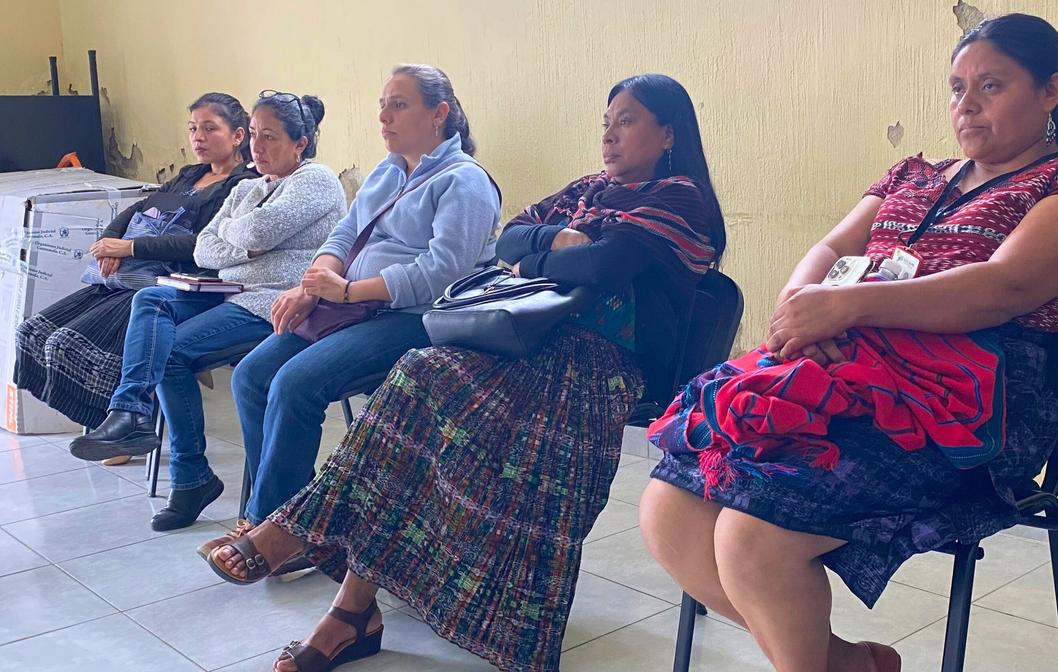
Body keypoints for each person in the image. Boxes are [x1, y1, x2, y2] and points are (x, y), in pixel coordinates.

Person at [639, 14, 1058, 672]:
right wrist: (799, 313)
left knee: (752, 538)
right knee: (668, 511)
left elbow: (1004, 286)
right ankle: (848, 665)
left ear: (1052, 91)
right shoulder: (915, 175)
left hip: (966, 410)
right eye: (957, 87)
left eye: (991, 85)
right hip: (841, 381)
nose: (966, 104)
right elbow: (829, 249)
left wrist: (843, 306)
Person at [204, 74, 725, 672]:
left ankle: (328, 575)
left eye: (626, 122)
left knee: (446, 398)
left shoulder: (680, 200)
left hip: (602, 366)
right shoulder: (592, 189)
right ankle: (346, 602)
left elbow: (604, 266)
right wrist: (557, 241)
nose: (608, 135)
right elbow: (512, 241)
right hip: (535, 343)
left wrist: (544, 254)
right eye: (606, 122)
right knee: (420, 375)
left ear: (668, 134)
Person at [198, 65, 500, 555]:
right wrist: (312, 286)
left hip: (413, 318)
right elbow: (344, 235)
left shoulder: (464, 181)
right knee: (251, 376)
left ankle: (277, 535)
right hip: (349, 307)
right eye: (382, 105)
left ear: (439, 114)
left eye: (398, 105)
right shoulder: (389, 171)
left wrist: (347, 292)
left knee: (295, 384)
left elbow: (442, 272)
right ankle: (281, 518)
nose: (383, 117)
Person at [68, 91, 347, 532]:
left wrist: (239, 238)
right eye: (253, 135)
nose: (257, 147)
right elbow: (204, 248)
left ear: (300, 143)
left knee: (171, 353)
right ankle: (131, 411)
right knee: (150, 299)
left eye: (269, 137)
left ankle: (189, 478)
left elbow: (258, 231)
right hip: (229, 289)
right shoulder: (250, 186)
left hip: (276, 299)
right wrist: (245, 245)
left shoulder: (316, 180)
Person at [14, 93, 256, 437]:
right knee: (33, 334)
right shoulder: (189, 175)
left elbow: (202, 245)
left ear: (237, 135)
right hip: (133, 275)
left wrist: (130, 247)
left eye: (209, 128)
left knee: (67, 344)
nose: (198, 137)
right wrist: (110, 243)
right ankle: (111, 424)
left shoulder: (241, 186)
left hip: (176, 283)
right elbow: (138, 211)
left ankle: (119, 426)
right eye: (192, 129)